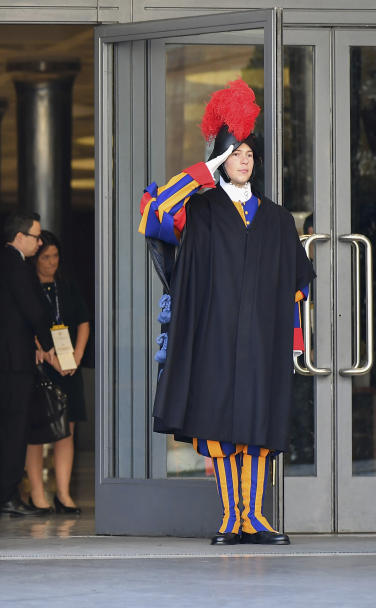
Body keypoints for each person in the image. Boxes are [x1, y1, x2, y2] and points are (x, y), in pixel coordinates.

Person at [138, 79, 314, 546]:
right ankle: (229, 517)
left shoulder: (277, 219)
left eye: (248, 154)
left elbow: (297, 287)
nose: (243, 160)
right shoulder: (199, 210)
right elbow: (154, 212)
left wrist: (295, 344)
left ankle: (253, 517)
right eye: (234, 153)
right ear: (221, 159)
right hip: (211, 337)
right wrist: (204, 169)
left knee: (257, 426)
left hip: (261, 341)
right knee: (218, 427)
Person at [0, 211, 57, 517]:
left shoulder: (0, 263)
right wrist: (49, 347)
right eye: (36, 236)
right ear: (20, 237)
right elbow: (34, 311)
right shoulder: (16, 266)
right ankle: (7, 498)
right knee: (13, 431)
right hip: (12, 364)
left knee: (5, 430)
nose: (40, 242)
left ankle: (6, 495)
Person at [25, 231, 90, 514]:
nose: (52, 263)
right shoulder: (28, 288)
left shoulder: (66, 286)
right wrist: (51, 359)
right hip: (42, 367)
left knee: (68, 431)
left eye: (55, 257)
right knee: (37, 432)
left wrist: (75, 356)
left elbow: (84, 321)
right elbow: (28, 328)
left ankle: (63, 493)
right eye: (46, 258)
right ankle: (37, 493)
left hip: (69, 365)